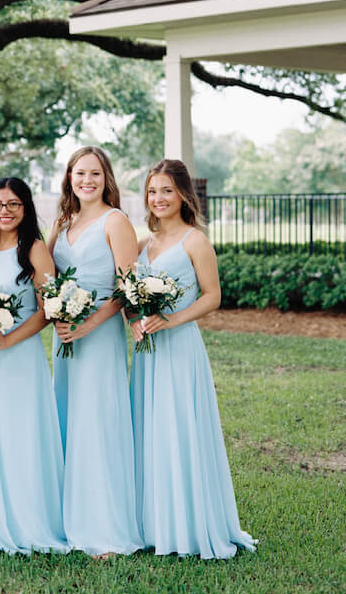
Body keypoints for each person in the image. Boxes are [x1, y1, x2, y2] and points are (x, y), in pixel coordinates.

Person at [129, 159, 256, 558]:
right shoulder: (142, 243)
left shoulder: (195, 240)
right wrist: (134, 319)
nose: (158, 198)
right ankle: (152, 522)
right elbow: (128, 292)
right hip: (148, 352)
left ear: (183, 194)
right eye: (152, 191)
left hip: (180, 348)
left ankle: (186, 524)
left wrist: (173, 320)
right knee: (149, 428)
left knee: (178, 427)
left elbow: (212, 296)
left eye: (166, 190)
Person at [47, 146, 142, 558]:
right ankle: (67, 516)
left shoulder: (115, 220)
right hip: (65, 334)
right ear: (69, 177)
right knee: (68, 418)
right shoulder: (62, 222)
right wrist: (57, 316)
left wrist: (89, 323)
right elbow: (46, 278)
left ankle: (105, 528)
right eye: (79, 173)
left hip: (99, 335)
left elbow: (127, 288)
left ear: (107, 180)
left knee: (97, 421)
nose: (87, 181)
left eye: (95, 174)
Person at [0, 177, 68, 555]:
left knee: (21, 434)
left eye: (13, 204)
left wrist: (8, 340)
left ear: (25, 208)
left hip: (21, 357)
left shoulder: (36, 250)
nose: (5, 211)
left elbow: (48, 310)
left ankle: (28, 518)